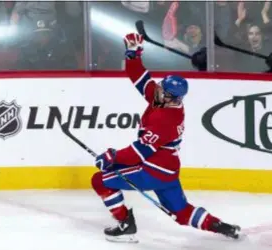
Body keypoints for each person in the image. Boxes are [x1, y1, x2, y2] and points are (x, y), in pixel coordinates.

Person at [91, 33, 242, 243]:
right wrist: (133, 54)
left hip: (152, 169)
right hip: (168, 171)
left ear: (174, 97)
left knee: (100, 180)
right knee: (181, 213)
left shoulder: (166, 119)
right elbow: (139, 77)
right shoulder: (164, 99)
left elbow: (138, 153)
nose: (158, 91)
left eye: (163, 91)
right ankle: (222, 226)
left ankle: (126, 224)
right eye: (160, 88)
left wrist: (112, 157)